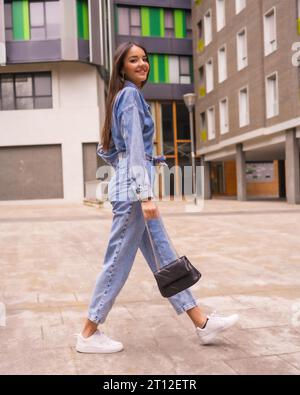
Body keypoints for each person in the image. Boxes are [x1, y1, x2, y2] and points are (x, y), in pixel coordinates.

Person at [76, 42, 238, 353]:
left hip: (131, 186)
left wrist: (139, 166)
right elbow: (134, 146)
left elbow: (108, 150)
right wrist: (144, 193)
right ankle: (87, 333)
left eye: (145, 59)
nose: (142, 64)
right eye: (133, 60)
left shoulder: (121, 98)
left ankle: (201, 323)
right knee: (117, 262)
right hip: (135, 194)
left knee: (164, 257)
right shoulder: (130, 96)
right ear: (121, 67)